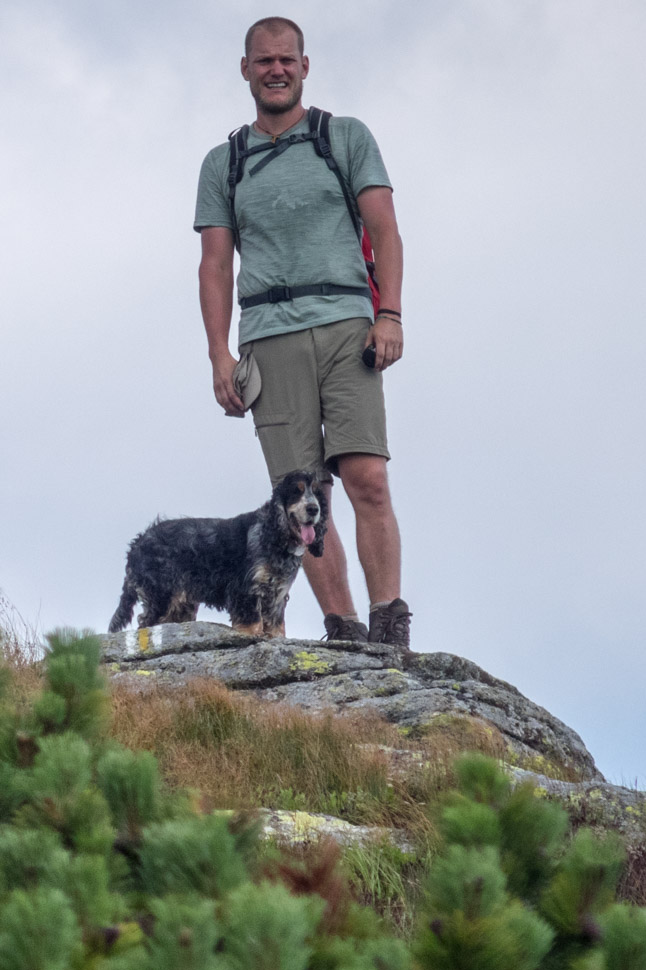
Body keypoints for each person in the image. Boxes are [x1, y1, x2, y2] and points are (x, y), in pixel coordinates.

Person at [194, 15, 410, 647]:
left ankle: (388, 627)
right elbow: (213, 263)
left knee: (367, 477)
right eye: (265, 61)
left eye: (287, 59)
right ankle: (342, 634)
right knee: (303, 501)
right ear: (246, 70)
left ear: (305, 65)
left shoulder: (342, 138)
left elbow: (388, 229)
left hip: (347, 325)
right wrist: (218, 354)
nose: (277, 70)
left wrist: (390, 314)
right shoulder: (224, 162)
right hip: (268, 336)